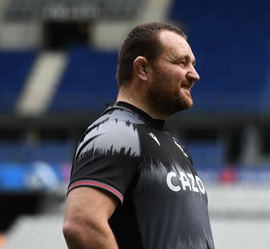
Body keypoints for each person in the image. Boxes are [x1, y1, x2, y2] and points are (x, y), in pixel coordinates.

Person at [63, 22, 215, 249]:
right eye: (181, 62)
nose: (194, 75)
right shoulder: (115, 132)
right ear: (142, 68)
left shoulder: (176, 147)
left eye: (192, 64)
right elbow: (82, 224)